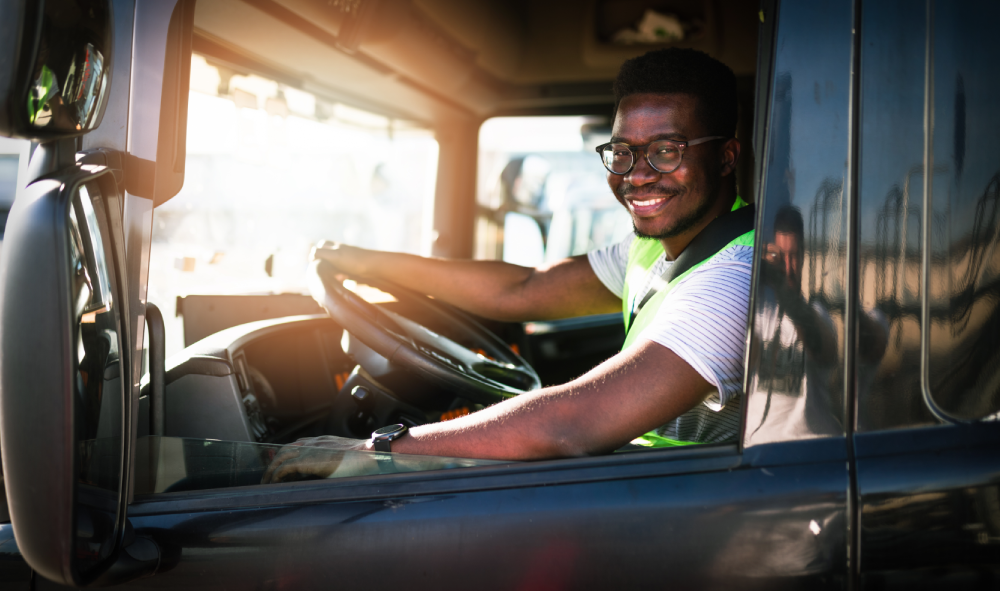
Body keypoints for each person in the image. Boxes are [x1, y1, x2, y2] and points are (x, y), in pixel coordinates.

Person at [263, 48, 753, 482]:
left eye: (667, 151)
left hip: (683, 504)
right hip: (639, 476)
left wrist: (378, 452)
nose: (638, 175)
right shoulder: (654, 246)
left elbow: (569, 425)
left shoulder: (735, 276)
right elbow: (522, 288)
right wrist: (366, 261)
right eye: (624, 152)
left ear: (727, 158)